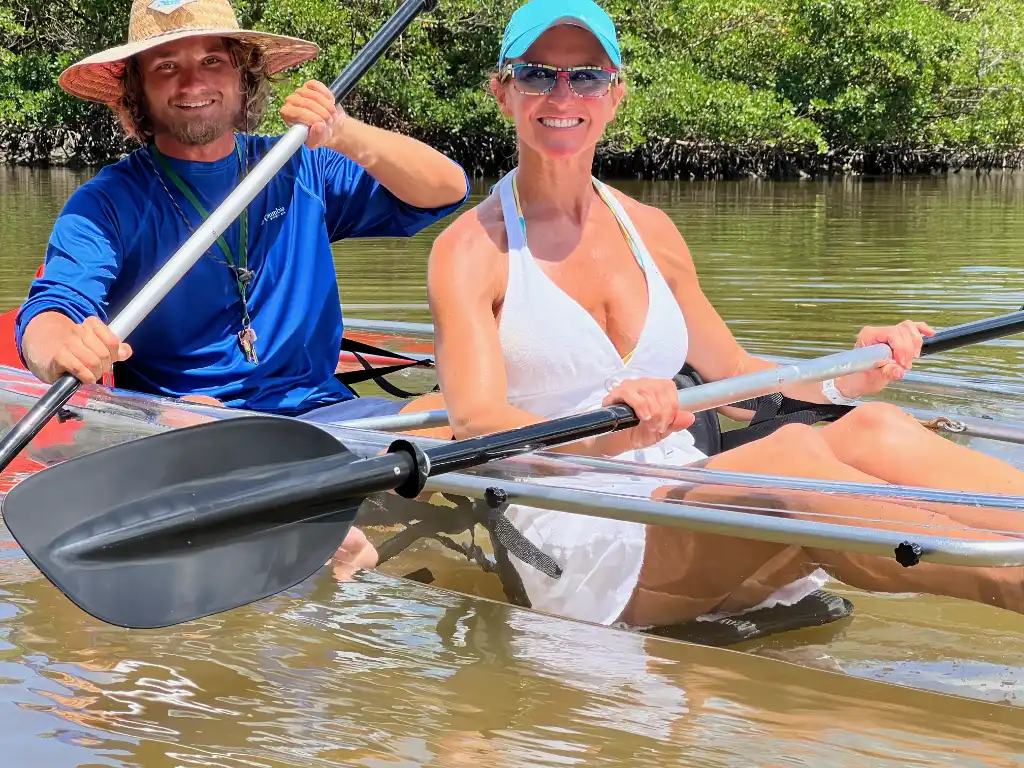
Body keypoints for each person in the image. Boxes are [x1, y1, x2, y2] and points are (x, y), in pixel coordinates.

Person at [426, 0, 1024, 628]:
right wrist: (615, 433)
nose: (563, 92)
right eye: (537, 74)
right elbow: (476, 423)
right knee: (788, 456)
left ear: (616, 92)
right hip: (569, 522)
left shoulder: (651, 230)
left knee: (873, 426)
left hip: (681, 490)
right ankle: (1011, 582)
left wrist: (849, 375)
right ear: (502, 90)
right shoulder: (469, 250)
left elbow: (735, 375)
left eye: (588, 75)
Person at [16, 0, 467, 567]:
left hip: (316, 418)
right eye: (165, 66)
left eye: (212, 60)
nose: (192, 82)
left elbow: (445, 189)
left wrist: (344, 132)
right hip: (190, 422)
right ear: (138, 91)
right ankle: (318, 523)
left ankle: (319, 513)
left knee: (459, 415)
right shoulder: (106, 203)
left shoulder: (298, 165)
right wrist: (62, 348)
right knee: (196, 416)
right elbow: (49, 314)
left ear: (243, 75)